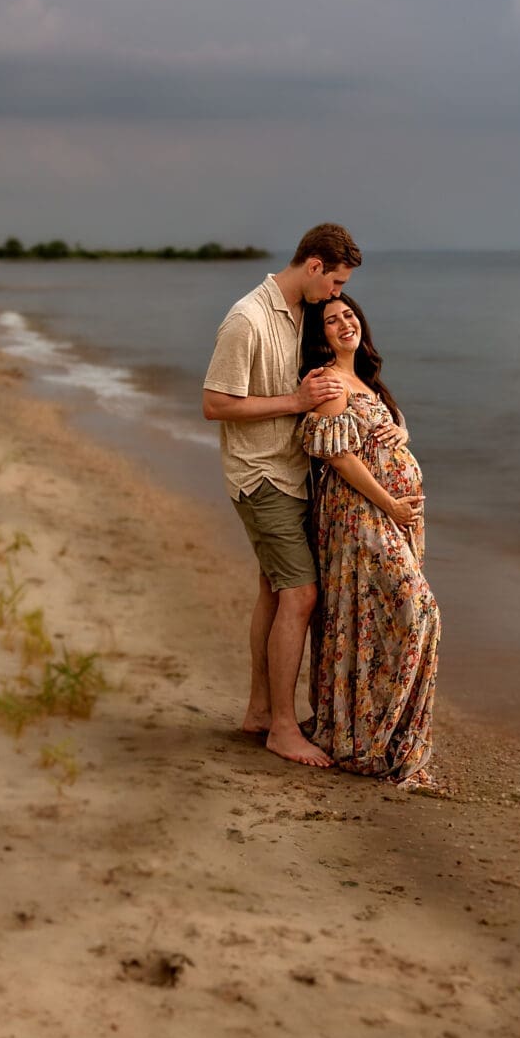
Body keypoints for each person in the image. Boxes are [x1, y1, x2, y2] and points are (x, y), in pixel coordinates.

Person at [201, 223, 364, 769]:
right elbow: (215, 405)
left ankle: (259, 712)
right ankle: (284, 729)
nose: (338, 295)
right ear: (314, 266)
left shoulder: (299, 315)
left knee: (274, 590)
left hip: (292, 474)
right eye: (336, 283)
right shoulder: (246, 318)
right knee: (301, 595)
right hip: (260, 476)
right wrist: (294, 401)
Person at [297, 295, 442, 788]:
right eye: (331, 320)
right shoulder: (330, 382)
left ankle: (384, 726)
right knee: (417, 611)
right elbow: (340, 459)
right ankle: (369, 734)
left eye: (349, 315)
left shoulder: (367, 382)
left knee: (383, 618)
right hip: (361, 517)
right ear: (321, 335)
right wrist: (392, 506)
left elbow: (375, 437)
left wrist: (399, 434)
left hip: (390, 517)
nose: (344, 324)